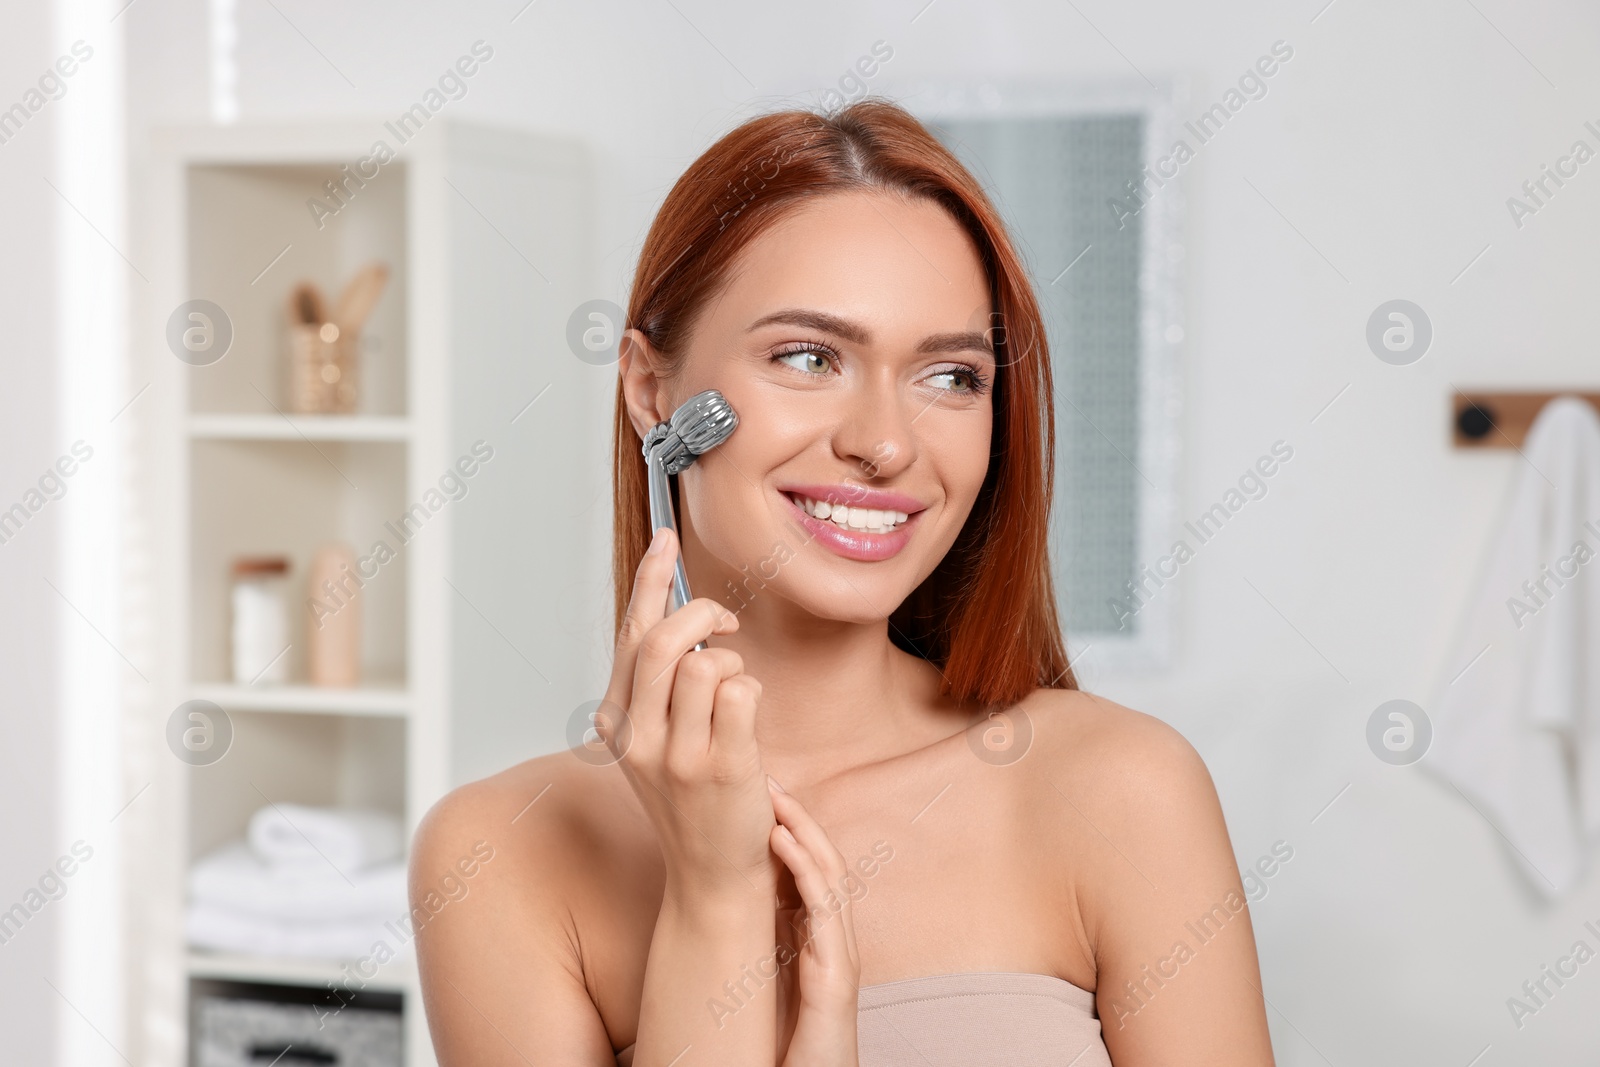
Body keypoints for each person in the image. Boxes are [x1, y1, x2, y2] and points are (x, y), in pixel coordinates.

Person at [411, 98, 1275, 1066]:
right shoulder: (498, 856)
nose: (885, 442)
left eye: (950, 375)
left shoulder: (1123, 792)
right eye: (808, 357)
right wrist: (713, 895)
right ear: (652, 388)